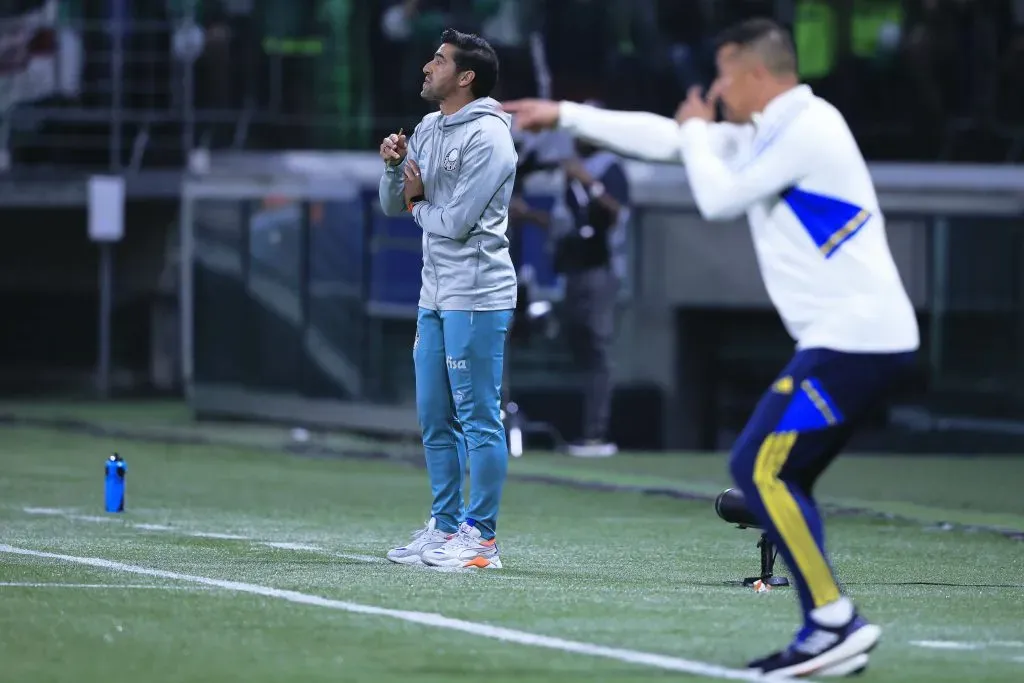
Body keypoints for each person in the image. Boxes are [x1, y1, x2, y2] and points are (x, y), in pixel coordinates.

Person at [503, 17, 919, 678]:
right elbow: (669, 139)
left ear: (756, 73)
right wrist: (564, 114)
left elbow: (717, 196)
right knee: (775, 473)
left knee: (760, 465)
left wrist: (695, 131)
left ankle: (833, 622)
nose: (716, 89)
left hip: (858, 341)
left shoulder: (810, 126)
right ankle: (827, 626)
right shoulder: (770, 130)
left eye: (725, 75)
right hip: (851, 340)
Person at [378, 28, 518, 570]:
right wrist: (394, 168)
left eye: (437, 61)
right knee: (435, 416)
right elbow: (398, 205)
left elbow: (455, 223)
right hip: (434, 293)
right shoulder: (431, 128)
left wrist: (415, 203)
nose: (425, 68)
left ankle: (481, 537)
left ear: (466, 77)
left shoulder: (490, 139)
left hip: (478, 294)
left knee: (479, 417)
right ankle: (442, 528)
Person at [510, 128, 631, 458]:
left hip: (599, 269)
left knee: (597, 346)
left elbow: (615, 213)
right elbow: (568, 226)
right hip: (575, 271)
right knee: (581, 348)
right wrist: (530, 216)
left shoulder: (607, 168)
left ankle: (597, 435)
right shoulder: (570, 173)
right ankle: (588, 432)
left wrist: (587, 180)